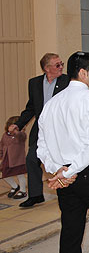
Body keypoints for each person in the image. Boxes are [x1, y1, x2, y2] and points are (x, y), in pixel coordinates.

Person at [37, 51, 89, 253]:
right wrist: (66, 173)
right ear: (83, 73)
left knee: (71, 232)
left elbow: (42, 147)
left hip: (66, 181)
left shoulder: (51, 105)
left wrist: (58, 170)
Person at [9, 53, 70, 208]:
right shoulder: (35, 83)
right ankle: (36, 195)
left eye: (61, 64)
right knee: (31, 159)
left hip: (60, 130)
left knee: (63, 161)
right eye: (57, 65)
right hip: (41, 130)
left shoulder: (66, 81)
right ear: (46, 68)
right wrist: (19, 124)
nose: (61, 67)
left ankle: (69, 190)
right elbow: (31, 108)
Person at [1, 116, 27, 199]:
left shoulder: (21, 135)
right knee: (5, 174)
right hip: (7, 159)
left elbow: (22, 137)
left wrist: (16, 132)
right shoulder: (5, 135)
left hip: (18, 160)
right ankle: (15, 186)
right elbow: (1, 145)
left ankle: (23, 191)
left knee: (20, 175)